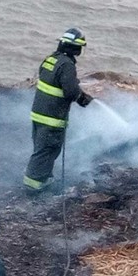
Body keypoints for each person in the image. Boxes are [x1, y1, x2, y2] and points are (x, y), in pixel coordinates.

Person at [23, 28, 94, 192]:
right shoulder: (67, 65)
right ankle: (33, 188)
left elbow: (55, 83)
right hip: (52, 119)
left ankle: (42, 178)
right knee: (47, 150)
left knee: (41, 150)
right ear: (75, 47)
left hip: (39, 114)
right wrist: (83, 99)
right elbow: (70, 91)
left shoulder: (50, 60)